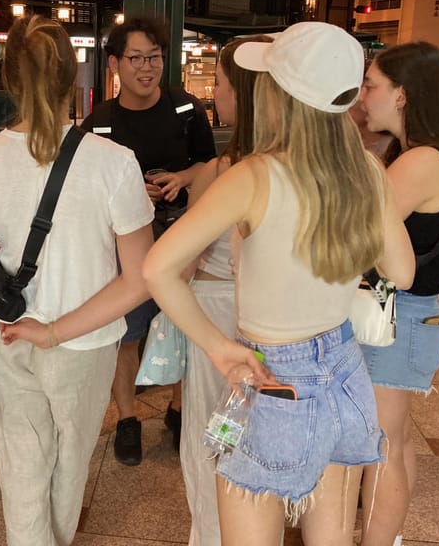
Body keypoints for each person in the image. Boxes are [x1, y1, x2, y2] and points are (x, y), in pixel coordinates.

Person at [143, 22, 415, 546]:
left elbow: (158, 268)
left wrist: (219, 348)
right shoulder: (367, 169)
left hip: (272, 381)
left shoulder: (254, 175)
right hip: (344, 371)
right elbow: (401, 272)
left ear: (280, 95)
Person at [0, 15, 154, 546]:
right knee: (70, 462)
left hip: (11, 335)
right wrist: (58, 331)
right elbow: (140, 280)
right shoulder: (116, 163)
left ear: (9, 80)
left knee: (21, 460)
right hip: (85, 343)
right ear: (75, 79)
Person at [358, 42, 439, 546]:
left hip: (398, 318)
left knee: (383, 446)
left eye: (372, 86)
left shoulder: (422, 160)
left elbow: (359, 233)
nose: (363, 97)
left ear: (403, 96)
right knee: (395, 441)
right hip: (410, 318)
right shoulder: (431, 153)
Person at [80, 14, 216, 465]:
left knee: (181, 326)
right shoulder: (99, 122)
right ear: (115, 63)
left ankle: (178, 409)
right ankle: (127, 418)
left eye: (154, 58)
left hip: (181, 239)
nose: (146, 67)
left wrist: (181, 177)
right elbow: (84, 187)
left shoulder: (186, 108)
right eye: (136, 58)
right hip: (127, 248)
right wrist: (128, 190)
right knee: (128, 334)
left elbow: (208, 164)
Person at [179, 35, 271, 546]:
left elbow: (176, 263)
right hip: (275, 320)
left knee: (212, 432)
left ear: (245, 94)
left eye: (220, 82)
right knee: (256, 432)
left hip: (215, 314)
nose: (216, 92)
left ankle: (211, 534)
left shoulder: (221, 172)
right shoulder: (294, 170)